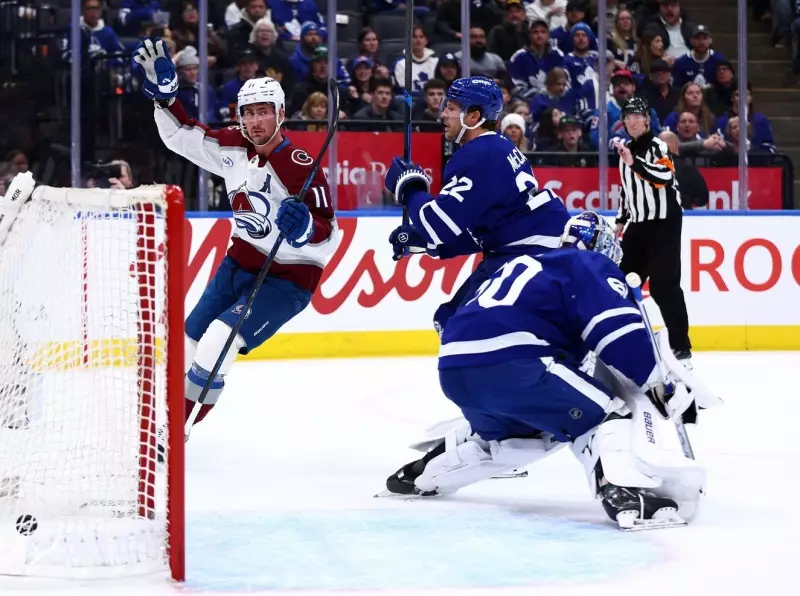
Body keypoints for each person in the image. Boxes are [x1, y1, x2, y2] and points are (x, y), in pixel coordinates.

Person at [382, 211, 713, 531]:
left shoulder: (528, 263)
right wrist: (657, 381)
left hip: (456, 368)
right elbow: (616, 329)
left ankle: (420, 475)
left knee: (516, 440)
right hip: (517, 363)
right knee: (606, 412)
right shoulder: (587, 263)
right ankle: (625, 494)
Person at [133, 39, 338, 434]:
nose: (255, 121)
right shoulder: (232, 146)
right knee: (187, 342)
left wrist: (306, 229)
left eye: (263, 112)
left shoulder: (299, 166)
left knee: (218, 341)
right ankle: (166, 416)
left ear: (280, 114)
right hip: (239, 264)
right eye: (248, 113)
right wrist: (166, 99)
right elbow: (182, 136)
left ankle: (176, 429)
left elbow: (329, 232)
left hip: (288, 279)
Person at [383, 76, 570, 339]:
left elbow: (437, 225)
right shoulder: (498, 147)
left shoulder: (479, 155)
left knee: (460, 328)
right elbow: (484, 228)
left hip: (529, 254)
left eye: (451, 108)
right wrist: (425, 241)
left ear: (474, 116)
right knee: (453, 320)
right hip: (534, 248)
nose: (443, 114)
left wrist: (409, 188)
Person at [613, 97, 692, 365]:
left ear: (647, 120)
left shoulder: (658, 146)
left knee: (663, 286)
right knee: (620, 283)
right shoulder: (625, 151)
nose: (632, 121)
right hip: (638, 224)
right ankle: (623, 342)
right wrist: (621, 220)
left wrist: (634, 162)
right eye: (628, 117)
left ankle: (682, 350)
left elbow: (664, 176)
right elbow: (626, 190)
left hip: (664, 223)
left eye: (637, 116)